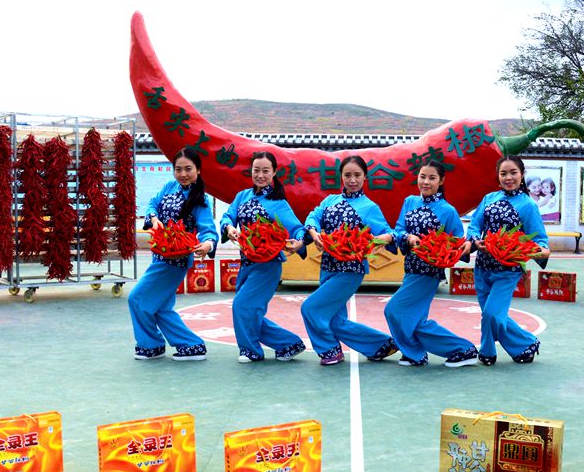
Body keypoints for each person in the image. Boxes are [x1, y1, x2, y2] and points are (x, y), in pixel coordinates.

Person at [300, 155, 398, 366]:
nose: (352, 180)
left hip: (351, 270)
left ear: (365, 177)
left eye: (357, 175)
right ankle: (381, 345)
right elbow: (313, 217)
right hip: (327, 266)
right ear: (341, 177)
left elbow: (389, 232)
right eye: (347, 175)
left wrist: (381, 239)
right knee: (336, 321)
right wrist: (314, 232)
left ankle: (329, 350)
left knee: (310, 308)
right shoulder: (330, 201)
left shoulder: (369, 207)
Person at [384, 160, 477, 367]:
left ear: (441, 181)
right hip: (410, 267)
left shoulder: (448, 210)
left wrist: (451, 248)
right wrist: (408, 237)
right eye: (422, 177)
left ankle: (460, 349)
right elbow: (399, 229)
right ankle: (419, 354)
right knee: (416, 319)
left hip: (429, 272)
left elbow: (457, 241)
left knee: (394, 310)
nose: (426, 182)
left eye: (432, 178)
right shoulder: (409, 202)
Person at [129, 147, 217, 361]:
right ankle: (190, 346)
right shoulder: (169, 186)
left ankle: (152, 344)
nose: (183, 174)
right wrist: (153, 218)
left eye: (188, 169)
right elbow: (152, 203)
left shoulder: (201, 200)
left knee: (137, 298)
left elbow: (208, 230)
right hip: (159, 254)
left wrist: (207, 245)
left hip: (175, 260)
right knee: (160, 306)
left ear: (198, 170)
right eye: (178, 169)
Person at [220, 152, 307, 363]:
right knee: (250, 311)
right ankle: (288, 344)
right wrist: (229, 228)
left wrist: (299, 242)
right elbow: (227, 216)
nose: (260, 175)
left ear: (274, 173)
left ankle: (251, 351)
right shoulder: (242, 196)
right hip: (246, 263)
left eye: (265, 171)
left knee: (242, 306)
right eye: (256, 170)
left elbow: (298, 228)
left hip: (268, 266)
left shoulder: (278, 203)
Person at [466, 155, 550, 365]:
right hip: (483, 266)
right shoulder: (489, 198)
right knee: (491, 313)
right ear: (498, 176)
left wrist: (539, 250)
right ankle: (526, 344)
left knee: (492, 314)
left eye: (513, 173)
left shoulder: (528, 205)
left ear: (522, 175)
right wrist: (475, 240)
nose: (508, 177)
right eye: (503, 173)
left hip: (508, 269)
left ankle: (487, 351)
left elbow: (539, 239)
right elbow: (475, 225)